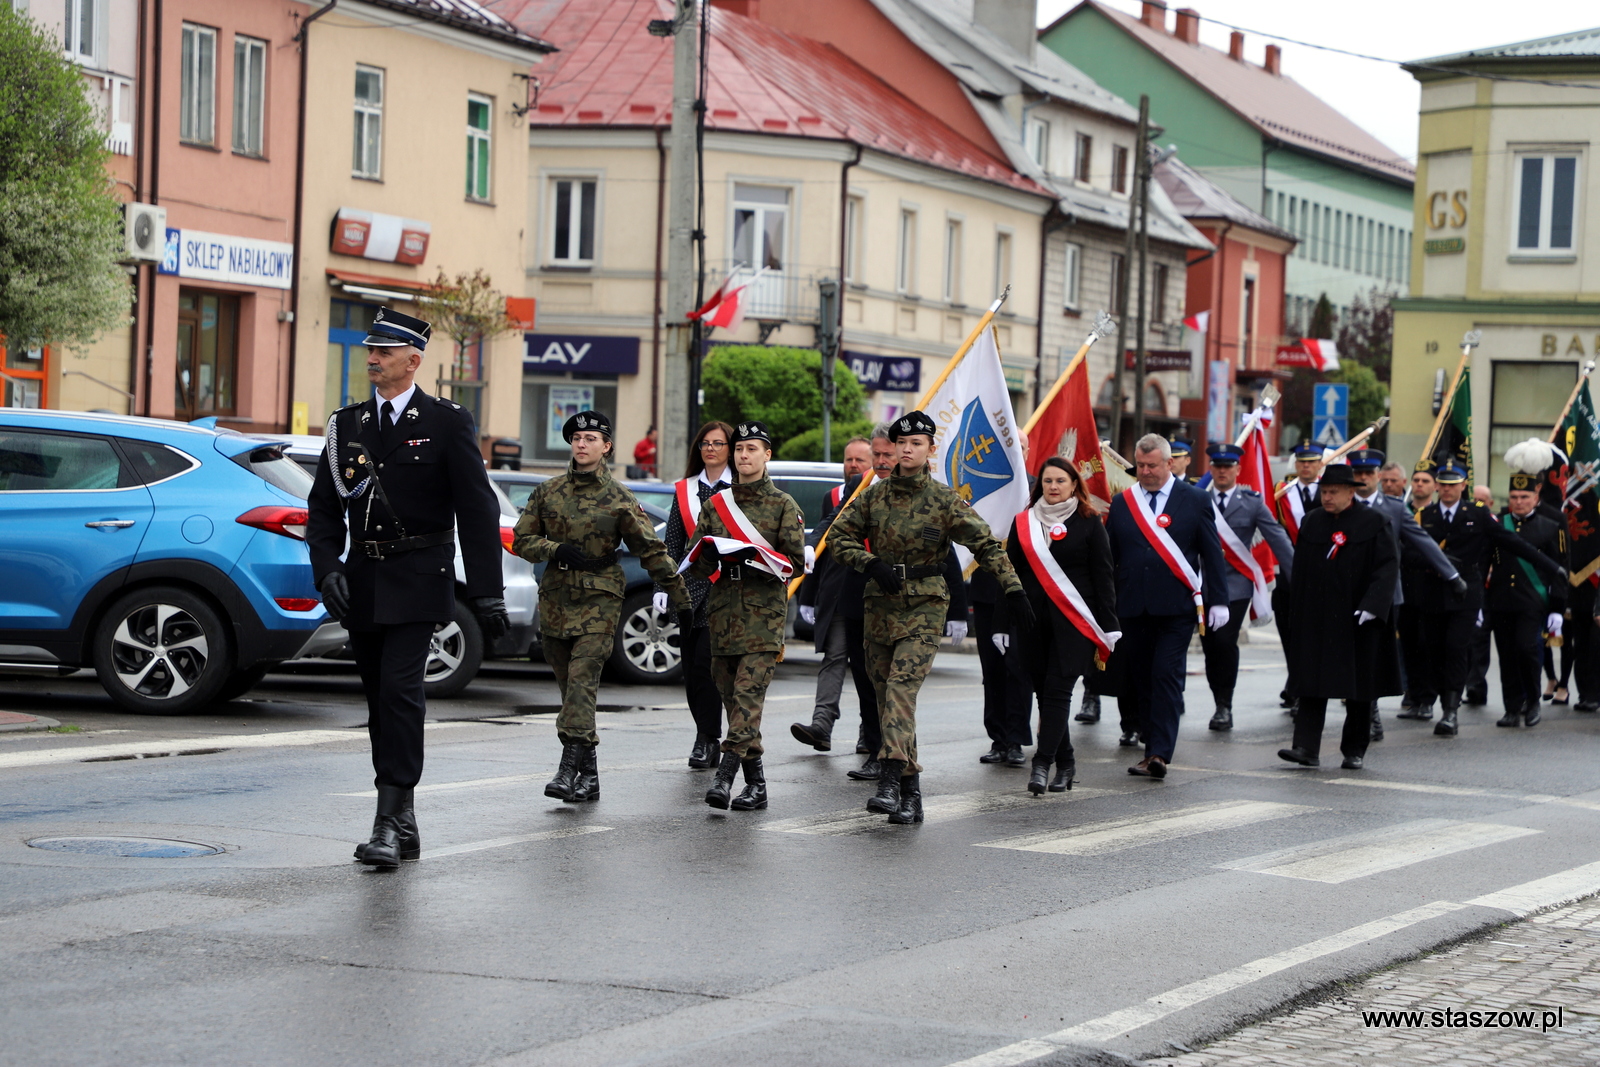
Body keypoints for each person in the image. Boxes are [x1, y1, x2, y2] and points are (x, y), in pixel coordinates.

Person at [307, 307, 508, 867]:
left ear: (413, 360)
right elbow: (322, 507)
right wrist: (327, 568)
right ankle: (404, 816)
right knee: (380, 701)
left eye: (385, 352)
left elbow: (476, 506)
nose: (372, 358)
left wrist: (488, 589)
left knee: (400, 693)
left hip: (420, 578)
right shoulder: (346, 425)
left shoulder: (446, 422)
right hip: (364, 580)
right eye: (370, 350)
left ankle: (389, 823)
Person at [829, 410, 1032, 823]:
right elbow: (837, 537)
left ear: (929, 450)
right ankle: (911, 793)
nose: (906, 450)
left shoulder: (943, 500)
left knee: (901, 692)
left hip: (924, 606)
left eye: (916, 444)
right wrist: (870, 564)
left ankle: (888, 781)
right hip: (879, 605)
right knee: (890, 701)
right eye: (901, 443)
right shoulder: (874, 495)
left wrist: (1013, 588)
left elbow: (986, 545)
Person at [514, 410, 690, 802]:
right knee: (571, 690)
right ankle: (590, 776)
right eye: (577, 438)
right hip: (557, 596)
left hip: (601, 596)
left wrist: (680, 596)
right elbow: (521, 540)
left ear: (606, 446)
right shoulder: (548, 492)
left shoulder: (620, 498)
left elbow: (650, 549)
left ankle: (566, 770)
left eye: (591, 438)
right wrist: (553, 548)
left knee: (581, 681)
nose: (582, 444)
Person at [685, 420, 805, 810]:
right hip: (723, 614)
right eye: (739, 449)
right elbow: (695, 560)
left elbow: (796, 563)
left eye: (752, 449)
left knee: (748, 699)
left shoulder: (783, 505)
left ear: (767, 455)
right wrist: (709, 556)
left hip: (763, 617)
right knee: (733, 703)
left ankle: (725, 777)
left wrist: (759, 559)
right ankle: (757, 785)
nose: (743, 455)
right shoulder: (715, 504)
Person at [1105, 434, 1230, 779]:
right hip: (1132, 605)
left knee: (1166, 675)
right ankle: (1150, 744)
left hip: (1176, 606)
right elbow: (1109, 558)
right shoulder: (1122, 503)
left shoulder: (1195, 500)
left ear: (1169, 463)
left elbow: (1211, 553)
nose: (1145, 472)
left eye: (1152, 465)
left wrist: (1218, 600)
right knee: (1142, 678)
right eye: (1140, 466)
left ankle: (1159, 752)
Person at [1413, 465, 1565, 736]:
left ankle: (1451, 711)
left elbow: (1515, 544)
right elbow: (1409, 552)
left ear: (1463, 486)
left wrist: (1553, 569)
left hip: (1468, 596)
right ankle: (1461, 698)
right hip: (1437, 595)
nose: (1447, 489)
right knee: (1434, 650)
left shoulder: (1477, 514)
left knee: (1460, 649)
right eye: (1443, 484)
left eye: (1453, 484)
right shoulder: (1425, 516)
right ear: (1437, 486)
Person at [999, 457, 1119, 793]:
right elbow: (1009, 574)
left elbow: (1103, 575)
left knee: (1058, 691)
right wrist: (1001, 622)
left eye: (1060, 481)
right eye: (1048, 481)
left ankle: (1042, 764)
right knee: (1045, 694)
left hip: (1074, 623)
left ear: (1074, 486)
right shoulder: (1023, 522)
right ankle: (1066, 764)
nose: (1053, 487)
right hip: (1032, 622)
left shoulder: (1090, 521)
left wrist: (1109, 624)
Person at [1277, 464, 1399, 770]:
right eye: (1324, 492)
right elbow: (1301, 570)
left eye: (1333, 492)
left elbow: (1387, 568)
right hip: (1318, 617)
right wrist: (1297, 612)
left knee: (1359, 686)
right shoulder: (1312, 521)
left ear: (1350, 492)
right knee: (1310, 682)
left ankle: (1354, 749)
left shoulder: (1375, 521)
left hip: (1357, 617)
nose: (1327, 497)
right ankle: (1305, 746)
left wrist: (1373, 604)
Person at [1348, 448, 1462, 740]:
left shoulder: (1396, 508)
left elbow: (1422, 541)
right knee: (1351, 657)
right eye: (1357, 474)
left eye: (1367, 473)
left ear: (1377, 477)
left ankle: (1371, 712)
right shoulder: (1341, 503)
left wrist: (1451, 574)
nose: (1363, 478)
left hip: (1386, 595)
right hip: (1347, 592)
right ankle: (1362, 711)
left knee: (1374, 656)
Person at [655, 420, 734, 768]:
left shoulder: (741, 487)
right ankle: (706, 736)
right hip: (691, 594)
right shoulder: (685, 490)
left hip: (729, 591)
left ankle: (718, 739)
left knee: (712, 666)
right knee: (693, 670)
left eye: (718, 443)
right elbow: (672, 543)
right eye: (705, 443)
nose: (711, 449)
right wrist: (662, 586)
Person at [1199, 442, 1294, 731]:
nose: (1222, 470)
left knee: (1225, 642)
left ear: (1238, 470)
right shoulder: (1195, 498)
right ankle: (1218, 696)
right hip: (1202, 584)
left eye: (1228, 466)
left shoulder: (1252, 501)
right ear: (1211, 469)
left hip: (1236, 584)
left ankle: (1223, 706)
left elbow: (1276, 536)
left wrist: (1299, 575)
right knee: (1210, 646)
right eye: (1217, 466)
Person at [792, 437, 874, 751]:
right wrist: (809, 596)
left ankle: (871, 732)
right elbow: (824, 545)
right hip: (840, 591)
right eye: (849, 460)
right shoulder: (839, 494)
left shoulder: (883, 491)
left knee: (870, 665)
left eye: (861, 460)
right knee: (834, 656)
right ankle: (822, 724)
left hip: (874, 592)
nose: (854, 466)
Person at [971, 428, 1036, 766]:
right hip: (986, 590)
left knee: (1018, 668)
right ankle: (997, 737)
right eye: (1010, 446)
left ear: (1028, 450)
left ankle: (1016, 739)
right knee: (992, 669)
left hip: (1024, 593)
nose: (1016, 452)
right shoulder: (988, 485)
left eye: (1020, 447)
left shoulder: (1038, 488)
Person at [1487, 472, 1569, 727]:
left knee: (1526, 649)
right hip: (1501, 600)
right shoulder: (1498, 524)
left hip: (1532, 600)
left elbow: (1560, 568)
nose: (1519, 501)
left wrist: (1557, 607)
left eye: (1524, 497)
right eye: (1514, 497)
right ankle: (1511, 708)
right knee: (1507, 655)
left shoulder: (1551, 526)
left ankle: (1532, 701)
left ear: (1536, 498)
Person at [1274, 441, 1324, 712]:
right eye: (1302, 461)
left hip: (1321, 576)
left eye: (1312, 461)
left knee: (1313, 636)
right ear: (1295, 464)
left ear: (1320, 465)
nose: (1306, 466)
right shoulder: (1282, 492)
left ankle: (1304, 687)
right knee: (1290, 635)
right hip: (1288, 578)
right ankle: (1296, 682)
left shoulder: (1331, 492)